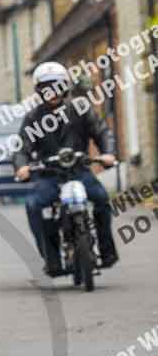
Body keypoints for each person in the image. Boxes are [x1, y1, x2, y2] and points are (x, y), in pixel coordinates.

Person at [14, 61, 118, 273]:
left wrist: (108, 153)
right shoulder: (32, 118)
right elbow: (21, 148)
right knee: (34, 205)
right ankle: (51, 259)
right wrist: (21, 166)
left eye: (57, 85)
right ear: (39, 90)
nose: (52, 91)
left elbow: (101, 131)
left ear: (65, 87)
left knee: (101, 199)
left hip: (79, 172)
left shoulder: (80, 108)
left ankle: (107, 251)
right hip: (49, 177)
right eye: (46, 87)